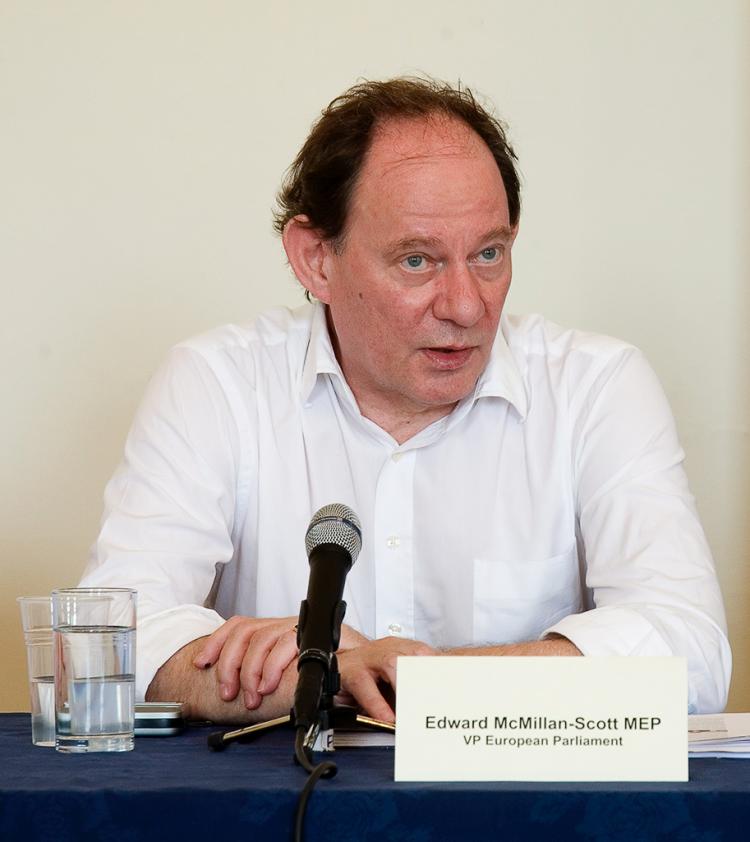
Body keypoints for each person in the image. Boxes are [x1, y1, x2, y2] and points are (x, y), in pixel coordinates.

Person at [80, 77, 731, 723]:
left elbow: (691, 654)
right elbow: (106, 643)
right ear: (316, 260)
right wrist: (330, 674)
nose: (466, 305)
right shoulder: (217, 384)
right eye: (417, 261)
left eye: (489, 253)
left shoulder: (597, 386)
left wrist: (404, 678)